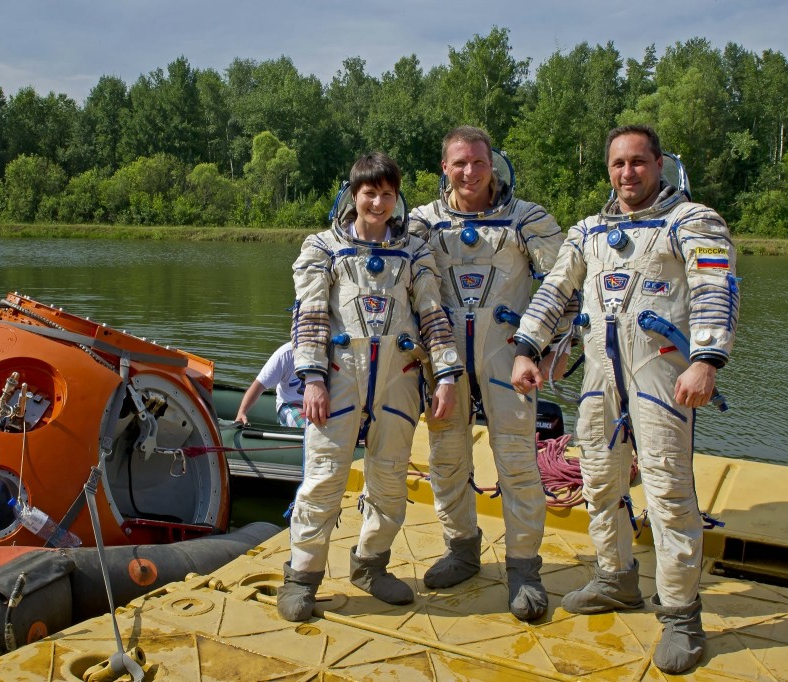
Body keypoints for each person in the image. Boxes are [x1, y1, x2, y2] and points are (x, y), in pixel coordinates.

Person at [510, 124, 739, 674]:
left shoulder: (693, 221)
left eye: (638, 162)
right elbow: (555, 289)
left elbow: (715, 288)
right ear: (608, 169)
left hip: (664, 376)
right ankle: (615, 577)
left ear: (660, 164)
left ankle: (682, 614)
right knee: (598, 478)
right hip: (600, 377)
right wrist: (527, 346)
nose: (627, 173)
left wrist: (707, 361)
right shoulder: (589, 231)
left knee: (666, 488)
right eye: (618, 163)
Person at [277, 152, 462, 622]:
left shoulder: (415, 250)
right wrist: (313, 379)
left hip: (398, 380)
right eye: (369, 193)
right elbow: (311, 317)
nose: (378, 202)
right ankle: (301, 577)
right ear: (353, 195)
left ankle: (371, 565)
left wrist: (445, 374)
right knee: (322, 480)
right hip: (338, 380)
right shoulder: (322, 248)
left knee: (389, 480)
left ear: (397, 198)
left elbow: (432, 315)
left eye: (387, 194)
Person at [408, 126, 567, 622]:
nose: (470, 172)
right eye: (460, 163)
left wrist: (549, 351)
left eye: (478, 162)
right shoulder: (420, 224)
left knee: (518, 462)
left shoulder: (527, 220)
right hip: (444, 359)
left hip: (509, 357)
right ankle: (462, 548)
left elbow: (565, 285)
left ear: (492, 163)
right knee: (446, 458)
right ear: (444, 168)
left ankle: (524, 568)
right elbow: (398, 288)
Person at [234, 341, 306, 427]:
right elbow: (259, 385)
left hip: (317, 404)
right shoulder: (285, 354)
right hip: (290, 403)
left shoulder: (324, 354)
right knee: (307, 427)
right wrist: (242, 412)